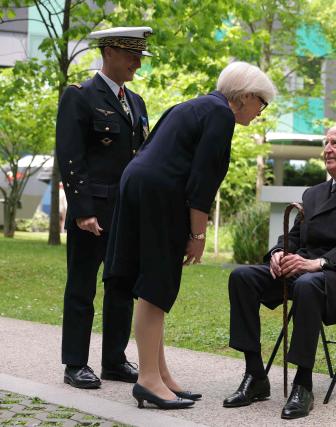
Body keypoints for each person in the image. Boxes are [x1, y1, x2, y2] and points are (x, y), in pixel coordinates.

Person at [103, 61, 276, 410]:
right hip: (159, 195)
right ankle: (148, 380)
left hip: (136, 185)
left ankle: (159, 373)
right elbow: (202, 181)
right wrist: (197, 235)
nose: (261, 111)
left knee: (152, 285)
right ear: (243, 97)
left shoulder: (193, 105)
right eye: (262, 102)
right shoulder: (221, 115)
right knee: (156, 286)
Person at [223, 123, 336, 420]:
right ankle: (255, 375)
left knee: (307, 285)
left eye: (335, 143)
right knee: (243, 277)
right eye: (325, 143)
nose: (327, 149)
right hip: (303, 269)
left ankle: (303, 384)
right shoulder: (313, 193)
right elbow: (296, 235)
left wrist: (319, 263)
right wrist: (279, 253)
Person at [56, 26, 152, 390]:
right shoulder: (79, 96)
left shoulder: (137, 102)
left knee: (121, 286)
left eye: (140, 56)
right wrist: (81, 210)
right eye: (132, 55)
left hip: (125, 212)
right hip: (92, 211)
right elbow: (70, 157)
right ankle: (75, 363)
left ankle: (113, 360)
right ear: (109, 51)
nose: (137, 63)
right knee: (82, 287)